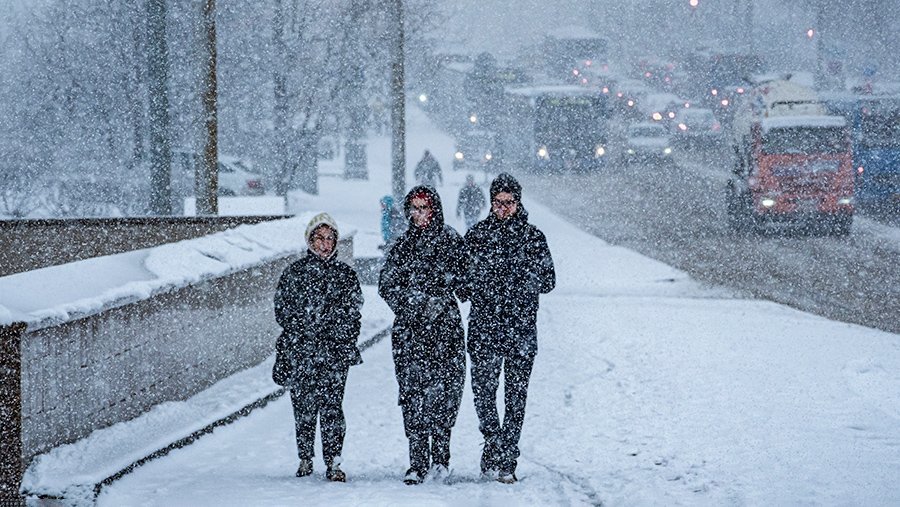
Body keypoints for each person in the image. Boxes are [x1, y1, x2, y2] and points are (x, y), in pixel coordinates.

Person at [463, 173, 555, 484]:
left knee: (516, 396)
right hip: (485, 329)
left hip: (520, 330)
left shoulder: (533, 238)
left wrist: (521, 279)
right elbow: (462, 284)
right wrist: (483, 283)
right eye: (498, 203)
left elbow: (549, 280)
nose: (503, 208)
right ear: (490, 203)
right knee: (483, 394)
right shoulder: (476, 237)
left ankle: (508, 454)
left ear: (518, 203)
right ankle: (493, 441)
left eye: (509, 202)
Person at [378, 185, 467, 485]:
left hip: (446, 331)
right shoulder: (402, 247)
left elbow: (466, 280)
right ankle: (417, 460)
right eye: (413, 209)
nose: (418, 215)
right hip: (411, 334)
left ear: (434, 209)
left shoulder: (451, 241)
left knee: (446, 393)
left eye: (423, 208)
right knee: (413, 395)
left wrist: (442, 296)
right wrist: (413, 303)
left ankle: (441, 458)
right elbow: (387, 285)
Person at [273, 212, 363, 482]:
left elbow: (354, 313)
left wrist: (340, 335)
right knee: (303, 405)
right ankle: (305, 456)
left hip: (334, 353)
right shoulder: (294, 273)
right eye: (319, 238)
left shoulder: (345, 275)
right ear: (309, 240)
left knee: (333, 407)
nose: (324, 244)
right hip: (302, 351)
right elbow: (282, 311)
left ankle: (334, 460)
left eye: (329, 238)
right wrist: (305, 329)